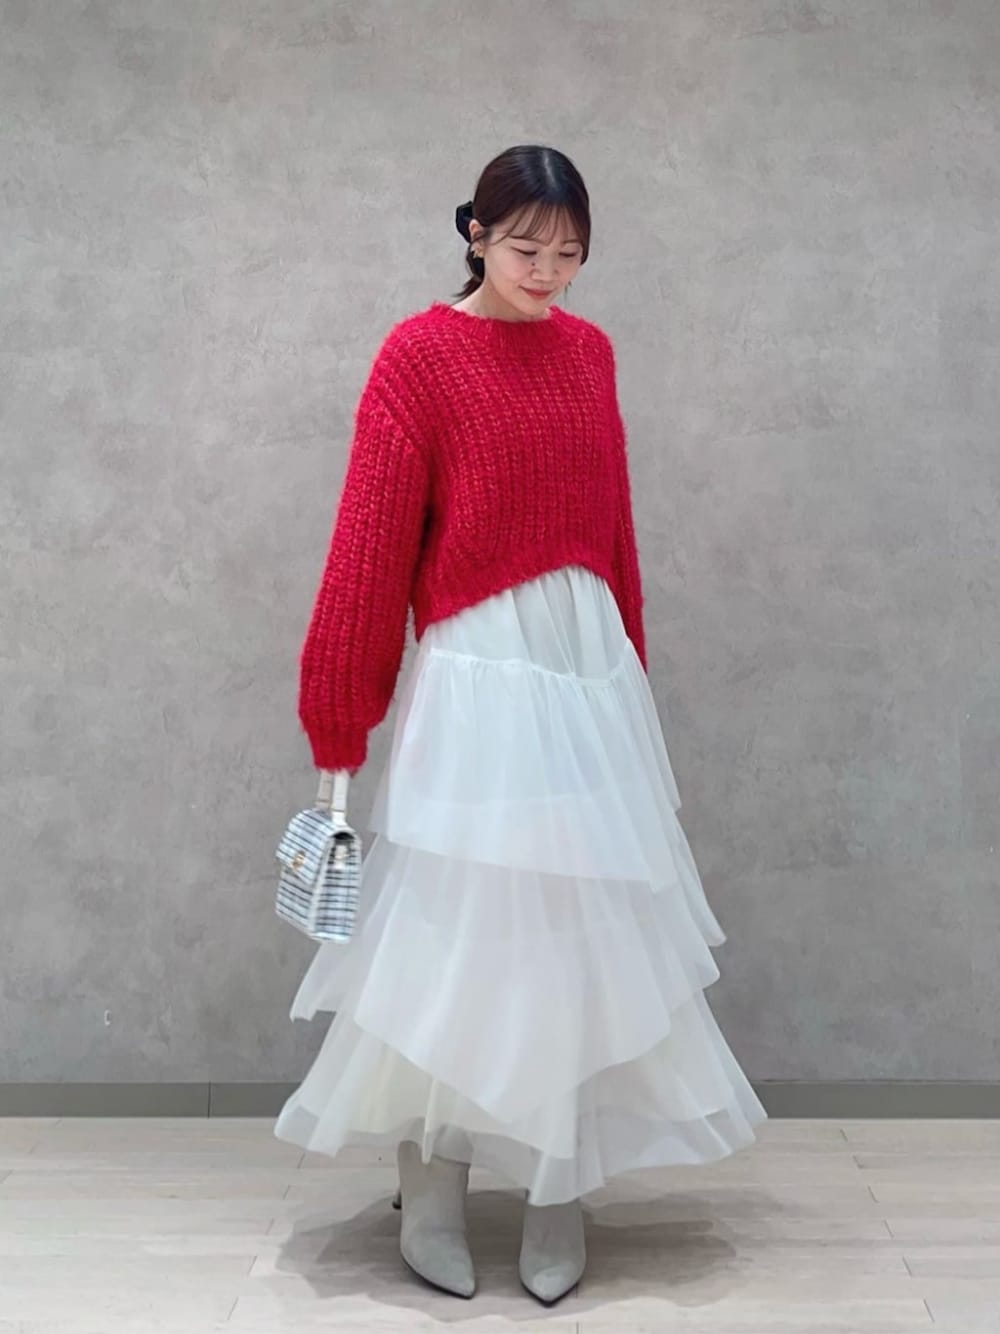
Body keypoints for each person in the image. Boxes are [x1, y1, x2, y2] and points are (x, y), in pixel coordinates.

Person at [274, 143, 767, 1306]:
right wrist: (338, 720)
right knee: (463, 927)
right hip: (480, 673)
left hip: (585, 673)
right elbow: (369, 546)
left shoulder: (590, 354)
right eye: (524, 246)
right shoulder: (419, 356)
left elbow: (613, 528)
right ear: (476, 234)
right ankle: (432, 1176)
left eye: (568, 252)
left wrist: (628, 668)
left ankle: (557, 1184)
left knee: (576, 928)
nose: (546, 270)